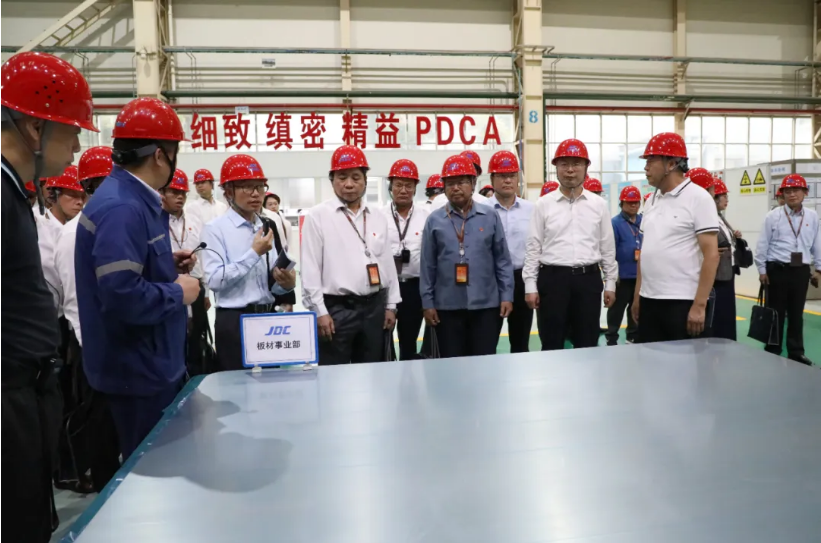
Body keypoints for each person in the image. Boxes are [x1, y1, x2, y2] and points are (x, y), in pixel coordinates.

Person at [1, 51, 96, 543]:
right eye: (72, 131)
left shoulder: (14, 193)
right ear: (35, 129)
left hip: (27, 395)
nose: (77, 146)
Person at [76, 97, 201, 460]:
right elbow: (121, 295)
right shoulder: (124, 208)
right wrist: (177, 293)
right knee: (151, 471)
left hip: (147, 364)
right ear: (160, 155)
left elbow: (123, 270)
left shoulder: (130, 200)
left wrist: (163, 264)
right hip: (138, 371)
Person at [53, 145, 120, 495]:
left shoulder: (113, 223)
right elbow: (74, 300)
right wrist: (93, 346)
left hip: (114, 343)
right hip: (92, 345)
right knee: (100, 427)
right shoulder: (73, 234)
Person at [301, 145, 401, 364]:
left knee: (372, 372)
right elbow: (310, 269)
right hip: (336, 310)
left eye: (356, 177)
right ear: (332, 180)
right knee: (333, 373)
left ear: (365, 180)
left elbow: (387, 264)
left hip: (374, 307)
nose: (348, 184)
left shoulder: (377, 216)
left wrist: (391, 305)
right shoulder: (318, 216)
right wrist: (319, 311)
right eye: (342, 177)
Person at [201, 155, 297, 371]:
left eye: (260, 187)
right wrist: (254, 253)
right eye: (247, 187)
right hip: (234, 321)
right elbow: (215, 280)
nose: (256, 193)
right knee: (236, 386)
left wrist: (286, 284)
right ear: (228, 192)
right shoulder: (215, 229)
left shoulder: (266, 225)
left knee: (271, 385)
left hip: (267, 318)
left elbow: (270, 282)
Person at [524, 139, 617, 350]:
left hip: (588, 281)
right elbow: (533, 247)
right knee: (551, 343)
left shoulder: (598, 205)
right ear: (556, 168)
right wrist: (530, 285)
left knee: (587, 343)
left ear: (586, 168)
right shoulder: (543, 204)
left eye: (576, 164)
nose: (570, 170)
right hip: (552, 281)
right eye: (564, 164)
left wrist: (610, 282)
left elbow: (607, 248)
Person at [420, 154, 514, 358]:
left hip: (486, 306)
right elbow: (427, 266)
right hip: (447, 307)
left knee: (484, 360)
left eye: (461, 182)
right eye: (450, 183)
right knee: (452, 363)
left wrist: (506, 295)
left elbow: (502, 260)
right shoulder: (434, 221)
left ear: (473, 184)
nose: (455, 188)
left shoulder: (490, 216)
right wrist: (428, 303)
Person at [631, 133, 720, 343]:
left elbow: (711, 255)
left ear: (671, 164)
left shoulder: (698, 198)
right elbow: (645, 253)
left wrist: (699, 305)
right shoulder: (652, 200)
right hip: (649, 300)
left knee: (684, 361)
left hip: (682, 302)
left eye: (651, 161)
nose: (646, 168)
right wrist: (637, 296)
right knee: (650, 358)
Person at [755, 174, 821, 365]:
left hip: (800, 271)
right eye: (788, 191)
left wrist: (819, 268)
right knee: (775, 312)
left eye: (796, 190)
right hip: (777, 270)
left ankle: (796, 351)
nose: (792, 194)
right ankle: (772, 349)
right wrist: (762, 270)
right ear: (782, 194)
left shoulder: (812, 216)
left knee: (796, 313)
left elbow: (817, 243)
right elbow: (763, 244)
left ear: (805, 192)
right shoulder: (773, 216)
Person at [380, 159, 429, 360]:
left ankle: (408, 377)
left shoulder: (426, 216)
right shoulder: (378, 216)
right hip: (385, 288)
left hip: (414, 288)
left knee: (409, 342)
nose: (403, 190)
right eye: (398, 185)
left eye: (408, 185)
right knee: (383, 341)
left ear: (415, 188)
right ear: (390, 187)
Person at [487, 150, 534, 353]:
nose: (507, 180)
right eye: (502, 176)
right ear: (492, 179)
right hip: (491, 281)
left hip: (521, 279)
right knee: (487, 341)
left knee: (521, 342)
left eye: (512, 176)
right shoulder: (482, 210)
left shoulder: (531, 210)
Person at [605, 186, 642, 346]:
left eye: (636, 202)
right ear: (622, 203)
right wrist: (612, 276)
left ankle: (632, 336)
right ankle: (612, 336)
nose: (633, 205)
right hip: (622, 275)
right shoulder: (615, 223)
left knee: (636, 307)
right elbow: (610, 250)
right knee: (617, 309)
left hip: (640, 276)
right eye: (629, 202)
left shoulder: (643, 221)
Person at [712, 178, 743, 341]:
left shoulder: (720, 217)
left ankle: (728, 340)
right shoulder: (707, 218)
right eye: (724, 196)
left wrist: (734, 236)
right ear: (714, 197)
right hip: (716, 274)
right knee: (719, 313)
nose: (727, 199)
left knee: (727, 311)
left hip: (727, 272)